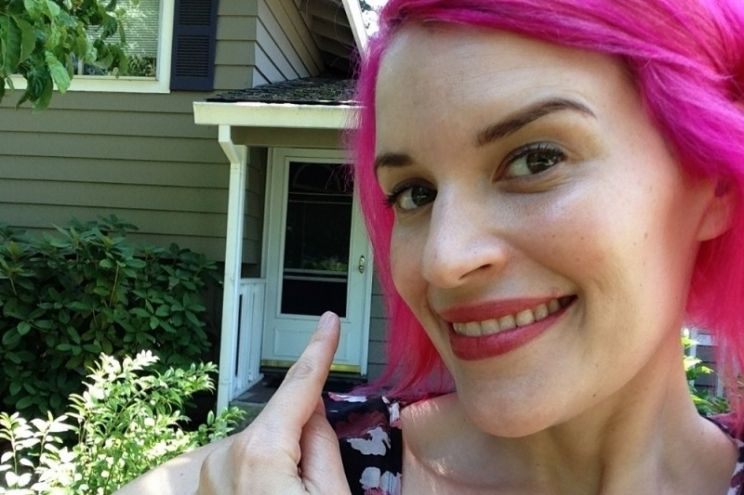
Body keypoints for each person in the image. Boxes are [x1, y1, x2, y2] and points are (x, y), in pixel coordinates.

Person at [117, 0, 744, 493]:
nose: (443, 260)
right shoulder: (304, 467)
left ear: (710, 180)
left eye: (536, 159)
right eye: (415, 193)